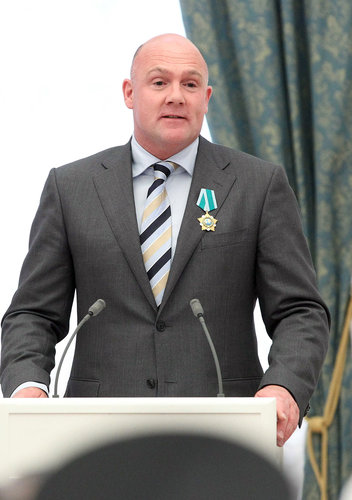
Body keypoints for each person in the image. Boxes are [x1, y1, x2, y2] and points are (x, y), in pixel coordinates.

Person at [0, 34, 330, 447]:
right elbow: (33, 313)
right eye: (159, 82)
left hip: (224, 435)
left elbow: (301, 310)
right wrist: (27, 388)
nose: (176, 96)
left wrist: (284, 386)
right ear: (129, 93)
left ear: (206, 98)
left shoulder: (257, 185)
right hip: (95, 438)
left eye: (190, 84)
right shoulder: (72, 188)